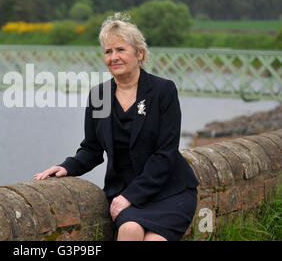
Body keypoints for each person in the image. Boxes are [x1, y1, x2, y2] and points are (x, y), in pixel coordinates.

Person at [34, 13, 200, 241]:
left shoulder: (163, 91)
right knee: (129, 229)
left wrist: (130, 196)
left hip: (169, 190)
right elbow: (92, 149)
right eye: (108, 51)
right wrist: (67, 167)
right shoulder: (99, 96)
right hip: (124, 189)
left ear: (139, 53)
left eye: (121, 49)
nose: (114, 57)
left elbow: (165, 153)